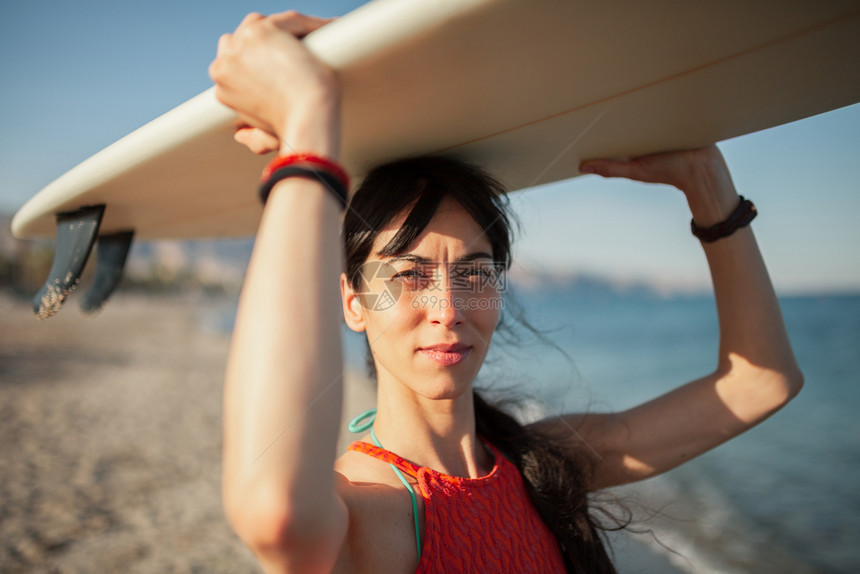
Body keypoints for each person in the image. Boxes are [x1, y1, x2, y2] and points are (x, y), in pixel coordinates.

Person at [209, 11, 803, 574]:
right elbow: (277, 508)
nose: (448, 309)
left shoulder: (545, 464)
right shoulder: (365, 509)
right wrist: (307, 131)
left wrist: (708, 184)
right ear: (351, 302)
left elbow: (761, 382)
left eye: (473, 273)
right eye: (409, 274)